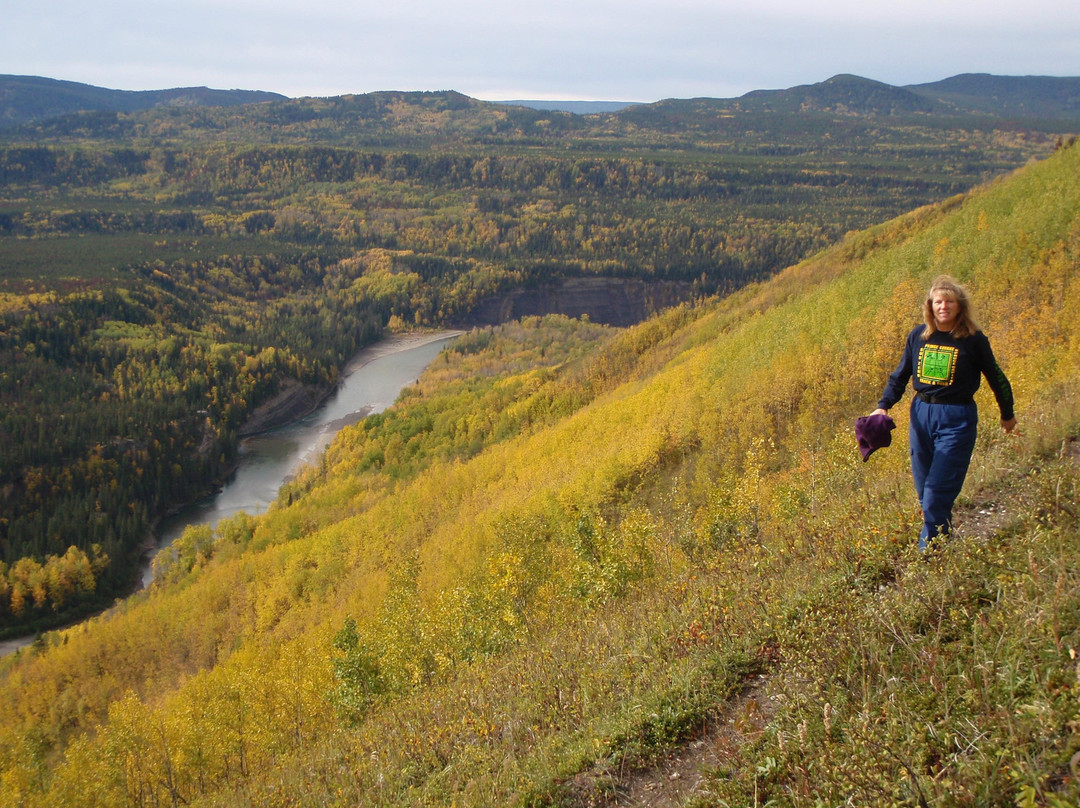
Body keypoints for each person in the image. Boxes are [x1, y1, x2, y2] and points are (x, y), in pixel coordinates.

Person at [870, 275, 1016, 550]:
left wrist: (1006, 413)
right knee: (925, 492)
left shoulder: (973, 340)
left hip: (956, 418)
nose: (943, 306)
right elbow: (900, 375)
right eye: (938, 301)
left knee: (937, 492)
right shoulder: (918, 336)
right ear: (930, 305)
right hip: (921, 414)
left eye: (949, 301)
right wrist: (883, 405)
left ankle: (929, 553)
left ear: (959, 306)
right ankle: (943, 541)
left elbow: (996, 377)